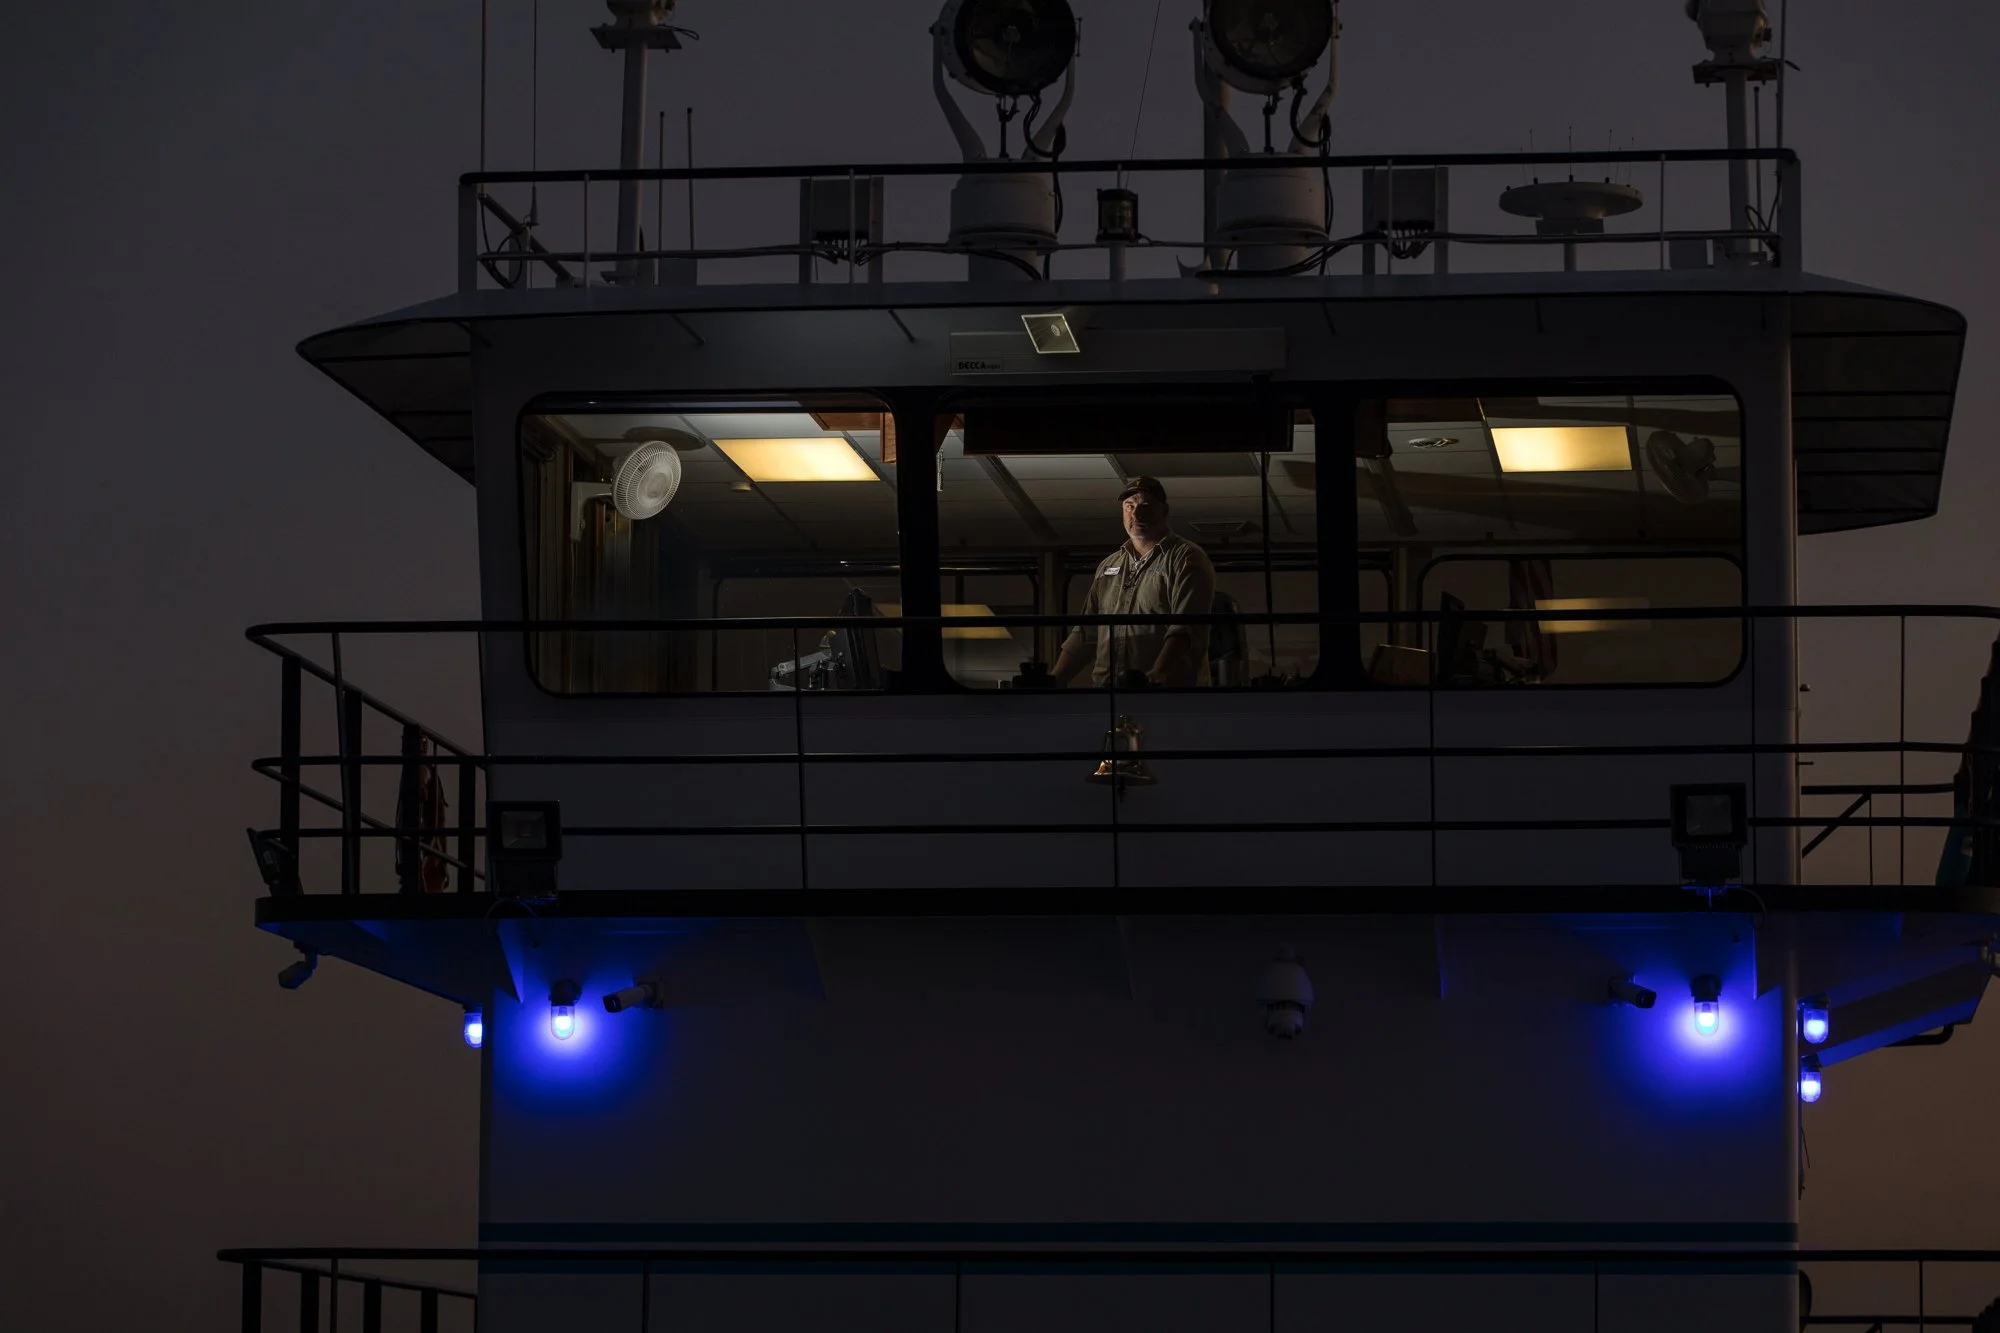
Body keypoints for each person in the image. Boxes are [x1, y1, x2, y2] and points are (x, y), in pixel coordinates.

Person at [1051, 476, 1217, 688]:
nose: (1136, 514)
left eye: (1145, 506)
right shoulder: (1108, 565)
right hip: (1110, 693)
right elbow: (1086, 633)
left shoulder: (1185, 558)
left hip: (1167, 695)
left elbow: (1185, 628)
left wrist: (1158, 673)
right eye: (1129, 506)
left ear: (1164, 511)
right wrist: (1053, 680)